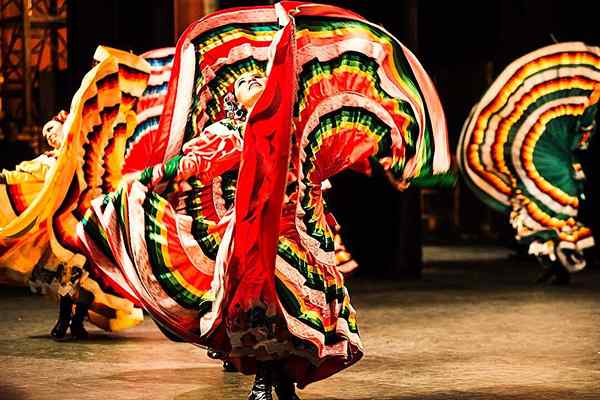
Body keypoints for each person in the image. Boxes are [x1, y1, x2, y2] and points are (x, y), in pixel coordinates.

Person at [457, 42, 600, 285]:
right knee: (552, 210)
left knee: (553, 211)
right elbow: (582, 130)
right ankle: (558, 263)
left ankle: (558, 263)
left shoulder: (583, 95)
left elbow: (580, 130)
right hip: (543, 154)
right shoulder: (586, 94)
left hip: (551, 152)